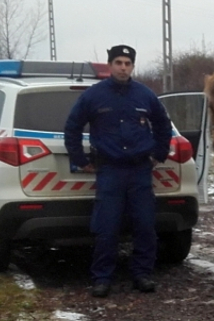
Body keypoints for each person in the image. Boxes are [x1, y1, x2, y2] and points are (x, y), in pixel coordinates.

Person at [64, 44, 172, 298]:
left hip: (139, 171)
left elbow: (163, 125)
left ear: (133, 66)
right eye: (118, 63)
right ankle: (102, 278)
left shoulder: (145, 95)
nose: (123, 68)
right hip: (110, 170)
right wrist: (79, 158)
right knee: (106, 227)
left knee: (145, 225)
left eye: (127, 63)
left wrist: (158, 154)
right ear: (110, 65)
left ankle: (142, 274)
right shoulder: (94, 96)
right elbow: (73, 127)